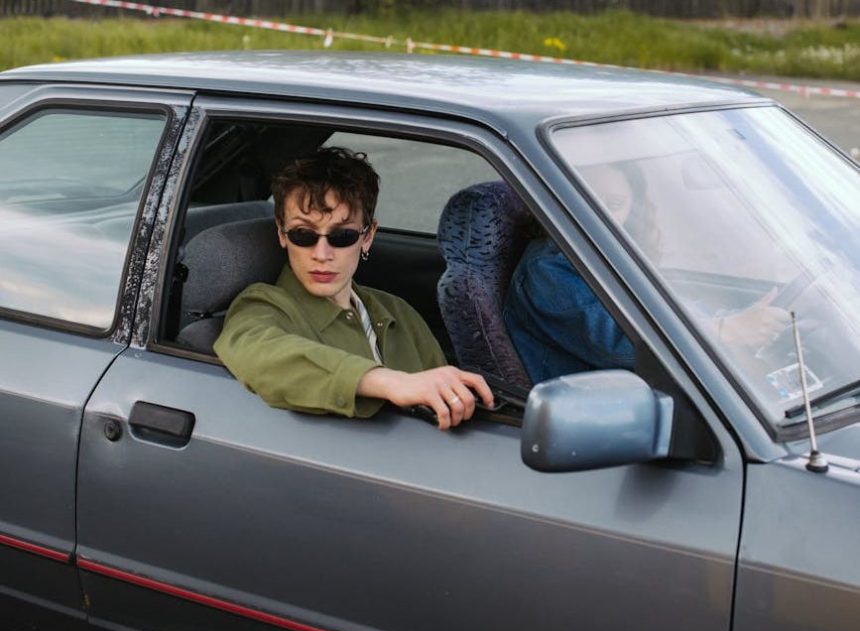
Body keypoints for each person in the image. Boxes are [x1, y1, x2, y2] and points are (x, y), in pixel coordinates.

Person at [214, 147, 492, 431]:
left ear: (368, 236)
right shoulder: (263, 306)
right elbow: (259, 352)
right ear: (282, 234)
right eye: (303, 234)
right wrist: (391, 382)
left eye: (342, 236)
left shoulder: (399, 313)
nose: (322, 254)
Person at [503, 161, 791, 384]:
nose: (598, 213)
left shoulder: (610, 254)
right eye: (585, 198)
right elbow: (623, 345)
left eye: (614, 204)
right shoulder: (547, 269)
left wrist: (730, 321)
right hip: (593, 418)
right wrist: (724, 331)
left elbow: (667, 310)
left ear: (632, 206)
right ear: (559, 199)